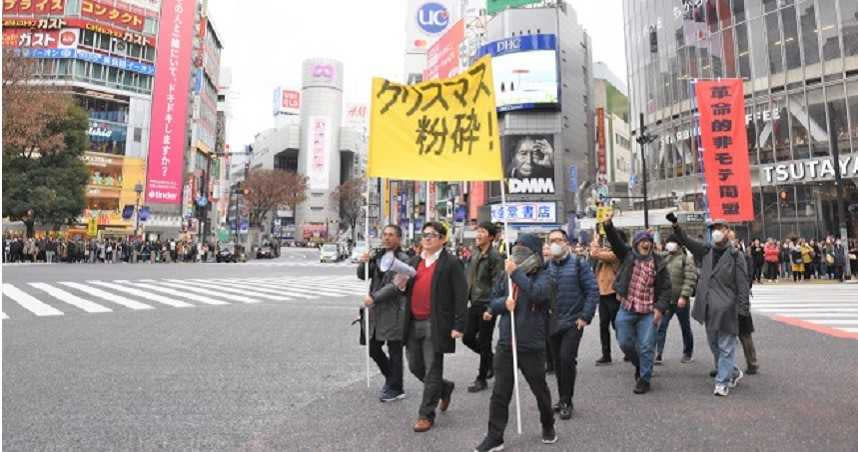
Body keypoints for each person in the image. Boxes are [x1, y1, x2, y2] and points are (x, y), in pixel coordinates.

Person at [473, 234, 557, 452]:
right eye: (516, 247)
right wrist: (503, 303)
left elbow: (538, 294)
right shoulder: (506, 275)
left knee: (540, 389)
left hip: (531, 344)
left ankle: (548, 424)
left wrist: (516, 273)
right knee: (500, 392)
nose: (519, 251)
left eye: (524, 248)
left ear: (535, 252)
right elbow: (494, 300)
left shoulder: (544, 275)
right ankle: (495, 436)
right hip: (506, 343)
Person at [670, 217, 750, 396]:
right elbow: (687, 241)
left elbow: (743, 283)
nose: (717, 231)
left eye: (720, 228)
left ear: (728, 231)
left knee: (726, 345)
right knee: (714, 344)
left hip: (728, 307)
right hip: (708, 307)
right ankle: (733, 371)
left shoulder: (736, 255)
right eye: (714, 228)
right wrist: (676, 226)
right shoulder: (706, 250)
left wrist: (743, 308)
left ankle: (722, 382)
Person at [403, 222, 467, 433]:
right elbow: (401, 288)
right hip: (412, 322)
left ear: (442, 239)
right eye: (425, 235)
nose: (427, 238)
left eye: (433, 235)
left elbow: (460, 295)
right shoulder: (414, 262)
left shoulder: (451, 263)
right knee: (415, 366)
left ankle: (425, 414)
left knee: (432, 370)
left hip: (436, 323)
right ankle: (445, 387)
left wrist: (459, 325)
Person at [603, 214, 672, 395]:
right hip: (627, 308)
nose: (645, 244)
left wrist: (660, 308)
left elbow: (666, 288)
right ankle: (641, 365)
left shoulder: (659, 262)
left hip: (649, 310)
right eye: (642, 241)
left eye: (648, 241)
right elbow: (615, 241)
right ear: (635, 244)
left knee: (647, 345)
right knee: (625, 342)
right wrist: (608, 225)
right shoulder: (627, 255)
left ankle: (644, 379)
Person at [545, 229, 598, 420]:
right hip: (552, 323)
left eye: (558, 240)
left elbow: (592, 290)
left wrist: (585, 316)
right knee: (557, 363)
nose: (555, 244)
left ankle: (567, 400)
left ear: (566, 242)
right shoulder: (546, 266)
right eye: (552, 241)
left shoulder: (579, 264)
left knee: (567, 359)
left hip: (573, 322)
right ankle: (562, 397)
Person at [358, 225, 410, 402]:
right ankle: (391, 378)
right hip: (376, 310)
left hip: (395, 310)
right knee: (373, 347)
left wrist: (374, 297)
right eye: (385, 234)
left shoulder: (404, 259)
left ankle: (396, 387)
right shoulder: (378, 256)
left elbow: (396, 285)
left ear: (399, 238)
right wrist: (365, 261)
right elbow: (362, 276)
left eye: (391, 235)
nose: (387, 238)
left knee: (395, 349)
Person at [463, 222, 503, 393]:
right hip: (474, 302)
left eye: (483, 231)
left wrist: (491, 308)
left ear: (491, 237)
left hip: (487, 304)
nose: (478, 234)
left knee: (485, 342)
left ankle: (481, 378)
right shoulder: (475, 253)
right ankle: (491, 362)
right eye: (478, 231)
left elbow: (498, 284)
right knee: (467, 337)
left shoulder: (495, 257)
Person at [655, 234, 698, 365]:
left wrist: (684, 296)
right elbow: (652, 255)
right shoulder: (664, 257)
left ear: (679, 245)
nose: (669, 245)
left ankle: (687, 353)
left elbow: (690, 278)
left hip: (680, 300)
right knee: (661, 326)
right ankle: (658, 353)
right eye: (668, 243)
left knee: (685, 327)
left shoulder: (686, 259)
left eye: (672, 242)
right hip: (667, 301)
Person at [589, 229, 627, 365]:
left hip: (613, 293)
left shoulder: (618, 253)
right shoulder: (607, 251)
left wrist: (595, 240)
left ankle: (628, 350)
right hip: (603, 293)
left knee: (618, 325)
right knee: (603, 325)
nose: (608, 242)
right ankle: (606, 354)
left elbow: (595, 253)